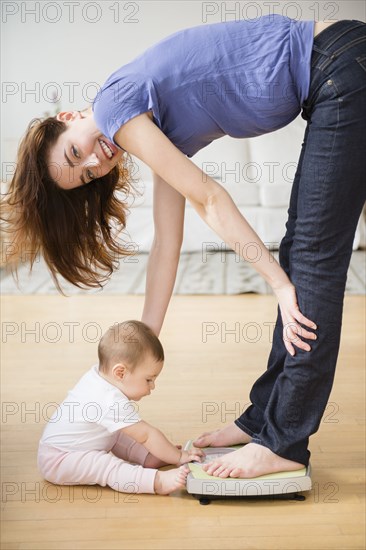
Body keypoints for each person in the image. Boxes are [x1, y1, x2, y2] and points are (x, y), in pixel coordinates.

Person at [3, 15, 366, 478]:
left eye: (76, 153)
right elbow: (166, 246)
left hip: (340, 66)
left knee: (308, 266)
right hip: (340, 66)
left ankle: (284, 443)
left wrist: (276, 283)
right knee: (302, 255)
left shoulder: (116, 106)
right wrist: (133, 355)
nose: (95, 161)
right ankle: (263, 421)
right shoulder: (144, 126)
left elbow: (209, 197)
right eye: (87, 174)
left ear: (68, 119)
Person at [37, 320, 204, 495]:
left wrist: (166, 451)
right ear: (120, 373)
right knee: (106, 465)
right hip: (59, 460)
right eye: (149, 379)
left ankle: (147, 457)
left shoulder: (98, 377)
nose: (153, 386)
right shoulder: (108, 400)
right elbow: (146, 435)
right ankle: (157, 482)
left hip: (65, 450)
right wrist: (179, 457)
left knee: (119, 433)